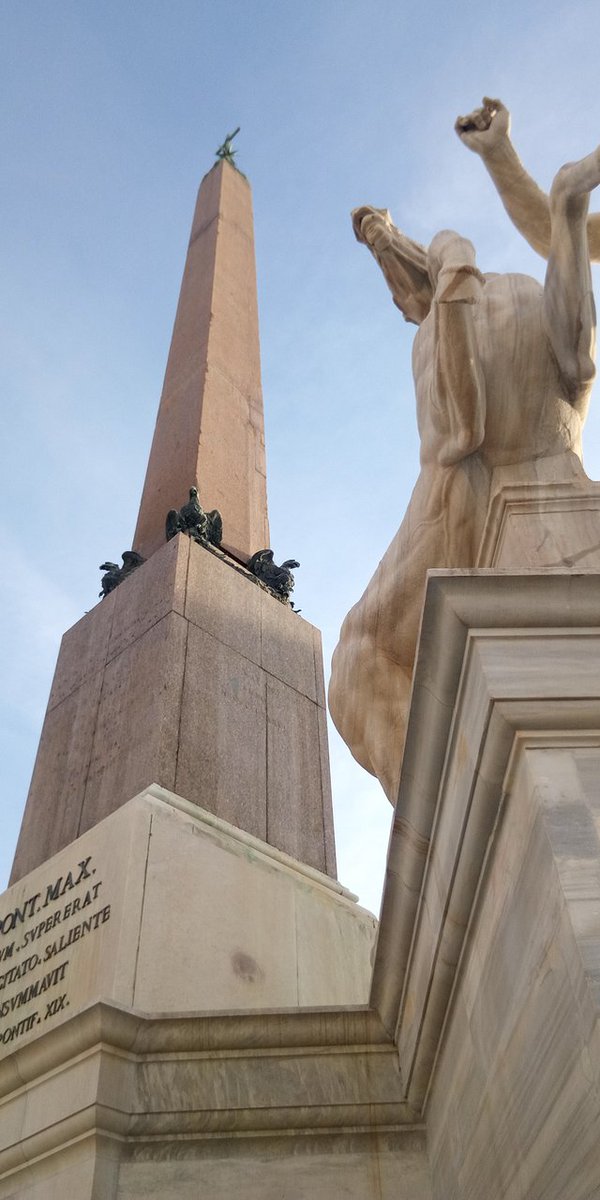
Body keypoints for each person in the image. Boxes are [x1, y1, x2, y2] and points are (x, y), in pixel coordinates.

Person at [328, 108, 600, 803]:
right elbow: (575, 348)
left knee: (357, 658)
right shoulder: (504, 285)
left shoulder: (435, 325)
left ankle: (440, 820)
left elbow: (464, 429)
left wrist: (445, 263)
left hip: (474, 469)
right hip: (549, 402)